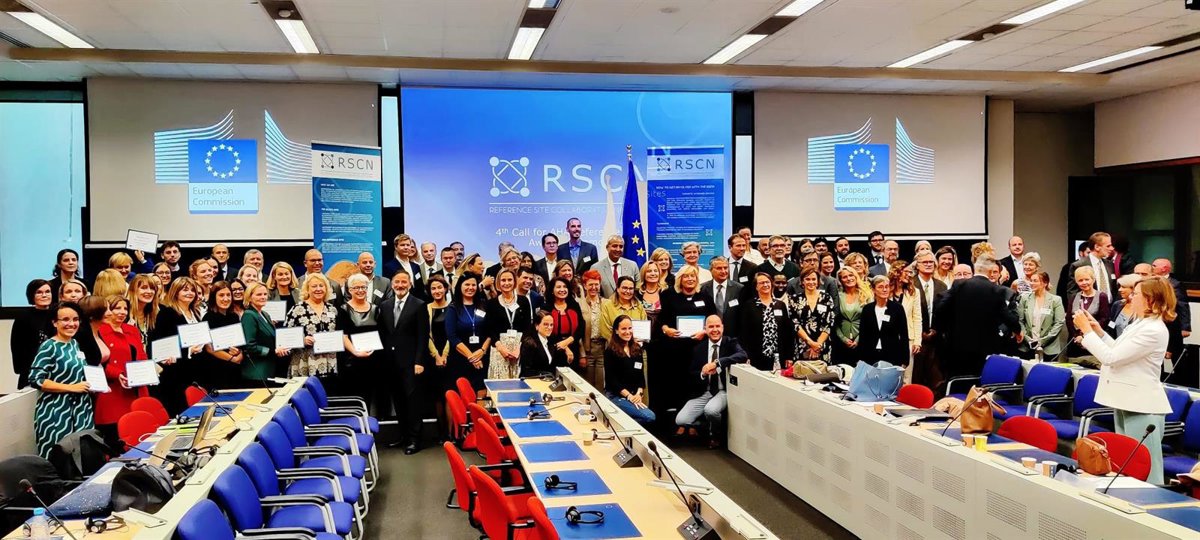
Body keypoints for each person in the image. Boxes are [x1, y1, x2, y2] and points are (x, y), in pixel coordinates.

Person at [1073, 276, 1176, 484]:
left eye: (1136, 294)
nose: (1130, 297)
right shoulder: (1141, 323)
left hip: (1142, 405)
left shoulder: (1153, 329)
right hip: (1127, 400)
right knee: (1127, 462)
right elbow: (1118, 351)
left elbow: (1111, 358)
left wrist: (1086, 331)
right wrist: (1098, 332)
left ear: (1150, 299)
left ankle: (1150, 500)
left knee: (1145, 466)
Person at [934, 256, 1019, 381]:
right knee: (980, 381)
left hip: (958, 345)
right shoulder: (996, 289)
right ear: (990, 271)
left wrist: (946, 328)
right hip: (985, 348)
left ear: (975, 269)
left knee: (957, 382)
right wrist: (1018, 330)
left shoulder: (959, 284)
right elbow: (1007, 316)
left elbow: (940, 309)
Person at [30, 302, 93, 458]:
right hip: (57, 412)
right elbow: (36, 379)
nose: (71, 324)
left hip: (80, 410)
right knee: (58, 460)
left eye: (75, 319)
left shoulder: (74, 344)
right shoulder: (49, 346)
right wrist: (72, 387)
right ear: (54, 323)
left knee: (81, 459)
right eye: (65, 319)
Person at [654, 266, 717, 418]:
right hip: (675, 349)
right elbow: (661, 319)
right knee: (677, 381)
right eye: (686, 276)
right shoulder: (669, 295)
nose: (690, 279)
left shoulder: (705, 297)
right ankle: (678, 419)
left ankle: (695, 418)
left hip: (698, 349)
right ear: (680, 279)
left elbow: (713, 319)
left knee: (695, 382)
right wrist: (666, 329)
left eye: (692, 276)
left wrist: (704, 331)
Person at [378, 270, 429, 453]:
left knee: (412, 402)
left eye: (403, 282)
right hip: (391, 363)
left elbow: (423, 336)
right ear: (392, 284)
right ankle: (403, 436)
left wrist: (419, 361)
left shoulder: (419, 305)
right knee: (398, 401)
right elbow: (383, 334)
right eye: (397, 282)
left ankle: (415, 440)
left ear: (410, 284)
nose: (400, 285)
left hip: (411, 363)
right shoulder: (384, 305)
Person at [677, 315, 747, 448]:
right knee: (681, 420)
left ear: (722, 327)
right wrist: (703, 374)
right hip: (705, 391)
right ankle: (707, 426)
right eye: (711, 327)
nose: (715, 330)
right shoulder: (699, 348)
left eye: (717, 326)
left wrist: (717, 363)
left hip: (722, 391)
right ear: (705, 329)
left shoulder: (730, 342)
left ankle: (716, 435)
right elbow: (691, 373)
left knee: (711, 410)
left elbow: (742, 355)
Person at [95, 295, 149, 448]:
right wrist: (116, 373)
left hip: (137, 388)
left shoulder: (132, 330)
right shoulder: (100, 331)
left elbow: (141, 355)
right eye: (117, 308)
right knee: (116, 440)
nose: (122, 312)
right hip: (113, 391)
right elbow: (97, 362)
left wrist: (147, 372)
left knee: (141, 435)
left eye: (125, 308)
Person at [151, 277, 204, 415]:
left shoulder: (195, 312)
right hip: (176, 373)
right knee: (182, 411)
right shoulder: (167, 313)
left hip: (195, 370)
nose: (190, 293)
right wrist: (188, 350)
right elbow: (162, 343)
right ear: (175, 292)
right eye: (185, 290)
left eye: (192, 290)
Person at [283, 273, 340, 389]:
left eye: (321, 286)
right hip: (305, 363)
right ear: (307, 289)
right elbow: (285, 337)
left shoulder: (332, 309)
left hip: (329, 363)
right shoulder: (297, 309)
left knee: (327, 396)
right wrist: (302, 340)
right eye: (314, 286)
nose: (318, 289)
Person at [604, 315, 656, 427]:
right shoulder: (610, 351)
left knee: (648, 417)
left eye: (630, 328)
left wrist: (639, 393)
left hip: (634, 395)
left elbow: (641, 377)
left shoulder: (637, 349)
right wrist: (629, 397)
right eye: (623, 329)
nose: (628, 332)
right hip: (616, 396)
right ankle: (618, 426)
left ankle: (618, 424)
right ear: (616, 331)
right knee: (649, 416)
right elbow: (611, 380)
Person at [737, 272, 794, 371]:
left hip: (778, 356)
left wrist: (789, 356)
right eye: (761, 283)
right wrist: (746, 355)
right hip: (756, 356)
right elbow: (744, 333)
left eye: (767, 282)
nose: (765, 285)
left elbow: (787, 332)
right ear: (756, 287)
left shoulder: (780, 305)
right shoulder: (749, 306)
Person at [446, 273, 489, 399]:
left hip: (482, 357)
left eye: (473, 285)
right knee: (461, 397)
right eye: (467, 285)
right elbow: (452, 336)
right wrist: (472, 357)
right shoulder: (453, 308)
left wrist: (482, 350)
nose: (470, 288)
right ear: (460, 286)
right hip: (461, 359)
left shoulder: (483, 305)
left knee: (481, 395)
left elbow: (490, 332)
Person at [483, 268, 531, 380]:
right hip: (499, 350)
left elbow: (528, 327)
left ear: (515, 281)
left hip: (519, 349)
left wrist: (519, 348)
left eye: (509, 280)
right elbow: (489, 329)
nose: (506, 283)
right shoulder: (491, 304)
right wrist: (501, 348)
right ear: (498, 283)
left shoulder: (523, 301)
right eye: (503, 280)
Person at [198, 282, 244, 389]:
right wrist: (233, 359)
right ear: (214, 297)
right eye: (221, 295)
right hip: (216, 370)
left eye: (228, 295)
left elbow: (239, 342)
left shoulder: (234, 316)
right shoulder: (208, 318)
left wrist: (239, 353)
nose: (226, 299)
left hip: (235, 369)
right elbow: (209, 348)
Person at [241, 283, 287, 386]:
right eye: (259, 294)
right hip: (257, 372)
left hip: (270, 368)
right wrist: (273, 351)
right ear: (249, 297)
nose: (263, 297)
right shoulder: (249, 315)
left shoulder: (265, 314)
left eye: (265, 294)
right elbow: (250, 346)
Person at [858, 276, 910, 366]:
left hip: (892, 355)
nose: (885, 290)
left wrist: (905, 360)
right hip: (870, 355)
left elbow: (904, 335)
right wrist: (860, 358)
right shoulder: (867, 309)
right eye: (880, 287)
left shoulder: (897, 308)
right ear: (873, 290)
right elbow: (863, 335)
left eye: (887, 287)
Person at [11, 279, 54, 389]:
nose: (44, 295)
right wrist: (22, 369)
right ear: (31, 295)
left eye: (47, 292)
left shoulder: (57, 314)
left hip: (55, 370)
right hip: (30, 370)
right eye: (39, 292)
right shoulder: (23, 316)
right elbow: (16, 345)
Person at [424, 274, 452, 440]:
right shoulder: (425, 308)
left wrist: (445, 354)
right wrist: (436, 355)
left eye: (440, 287)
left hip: (451, 356)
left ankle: (452, 433)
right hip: (432, 358)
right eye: (433, 288)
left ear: (446, 289)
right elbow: (426, 334)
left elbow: (452, 333)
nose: (437, 291)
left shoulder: (453, 307)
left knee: (449, 395)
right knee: (437, 397)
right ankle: (441, 433)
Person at [790, 267, 836, 362]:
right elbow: (794, 322)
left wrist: (817, 345)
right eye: (807, 279)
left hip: (822, 346)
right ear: (802, 281)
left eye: (813, 279)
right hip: (802, 345)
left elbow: (829, 322)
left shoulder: (826, 298)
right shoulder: (794, 299)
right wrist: (810, 343)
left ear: (818, 281)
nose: (811, 282)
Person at [1017, 271, 1066, 360]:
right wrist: (1028, 339)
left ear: (1045, 283)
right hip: (1027, 347)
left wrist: (1042, 341)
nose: (1032, 283)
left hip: (1049, 348)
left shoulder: (1056, 300)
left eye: (1035, 281)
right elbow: (1020, 320)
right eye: (1031, 281)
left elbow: (1059, 323)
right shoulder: (1024, 299)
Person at [1068, 265, 1111, 363]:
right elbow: (1069, 319)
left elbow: (1104, 319)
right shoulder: (1074, 296)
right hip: (1075, 342)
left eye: (1087, 279)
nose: (1084, 283)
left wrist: (1086, 336)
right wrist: (1076, 336)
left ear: (1093, 280)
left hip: (1094, 341)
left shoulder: (1102, 296)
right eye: (1080, 280)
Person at [887, 262, 923, 368]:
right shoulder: (885, 290)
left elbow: (917, 317)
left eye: (911, 272)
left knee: (907, 373)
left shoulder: (914, 292)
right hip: (888, 337)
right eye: (906, 272)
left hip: (908, 338)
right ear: (896, 272)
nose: (909, 275)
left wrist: (917, 341)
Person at [546, 277, 584, 373]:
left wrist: (569, 340)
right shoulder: (546, 307)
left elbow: (581, 326)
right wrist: (565, 347)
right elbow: (545, 330)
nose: (562, 289)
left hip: (574, 348)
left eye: (565, 287)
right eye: (558, 287)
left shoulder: (574, 305)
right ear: (552, 290)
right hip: (553, 350)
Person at [576, 269, 606, 389]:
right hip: (587, 349)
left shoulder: (606, 303)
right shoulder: (579, 304)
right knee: (588, 385)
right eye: (590, 284)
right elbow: (577, 331)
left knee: (601, 384)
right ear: (585, 286)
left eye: (596, 284)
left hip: (603, 349)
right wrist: (582, 354)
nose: (594, 287)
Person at [520, 310, 569, 377]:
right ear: (537, 326)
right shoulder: (529, 343)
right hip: (533, 381)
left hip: (548, 380)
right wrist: (547, 374)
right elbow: (526, 372)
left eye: (551, 325)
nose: (549, 327)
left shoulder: (551, 341)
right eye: (546, 324)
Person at [599, 276, 648, 342]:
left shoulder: (639, 306)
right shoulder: (607, 306)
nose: (628, 291)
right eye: (625, 288)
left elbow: (644, 330)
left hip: (636, 345)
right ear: (617, 289)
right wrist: (621, 344)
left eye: (631, 288)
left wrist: (633, 344)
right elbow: (605, 331)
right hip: (615, 346)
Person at [1069, 232, 1116, 299]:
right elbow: (1072, 292)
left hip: (1110, 304)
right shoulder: (1079, 265)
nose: (1112, 248)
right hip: (1088, 304)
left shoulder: (1110, 264)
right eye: (1108, 246)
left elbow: (1114, 287)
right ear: (1097, 247)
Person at [833, 268, 866, 364]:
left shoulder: (865, 295)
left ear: (856, 276)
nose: (848, 279)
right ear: (840, 281)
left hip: (862, 341)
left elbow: (870, 321)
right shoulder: (838, 296)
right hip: (841, 343)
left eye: (851, 275)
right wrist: (843, 338)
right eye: (844, 277)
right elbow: (834, 320)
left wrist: (858, 339)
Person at [700, 257, 741, 323]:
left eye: (725, 268)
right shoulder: (702, 288)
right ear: (711, 270)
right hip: (710, 328)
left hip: (732, 328)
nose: (723, 271)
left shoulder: (739, 288)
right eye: (719, 268)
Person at [125, 274, 160, 351]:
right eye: (144, 288)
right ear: (133, 290)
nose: (149, 292)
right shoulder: (124, 313)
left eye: (152, 288)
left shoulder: (156, 314)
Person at [1110, 274, 1144, 338]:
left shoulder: (1143, 309)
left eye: (1123, 287)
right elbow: (1111, 326)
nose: (1119, 290)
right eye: (1119, 286)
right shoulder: (1117, 305)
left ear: (1133, 289)